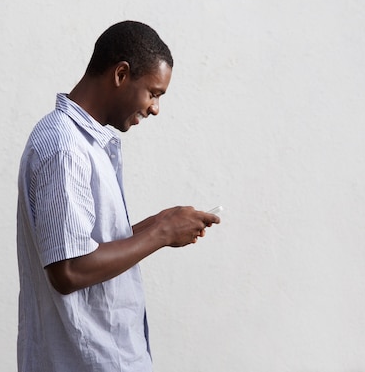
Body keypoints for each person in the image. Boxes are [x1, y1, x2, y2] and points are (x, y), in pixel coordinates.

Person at [16, 20, 220, 372]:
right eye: (154, 93)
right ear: (121, 74)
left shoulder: (82, 143)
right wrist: (162, 233)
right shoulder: (66, 148)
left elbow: (86, 245)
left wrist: (158, 223)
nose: (155, 108)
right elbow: (69, 271)